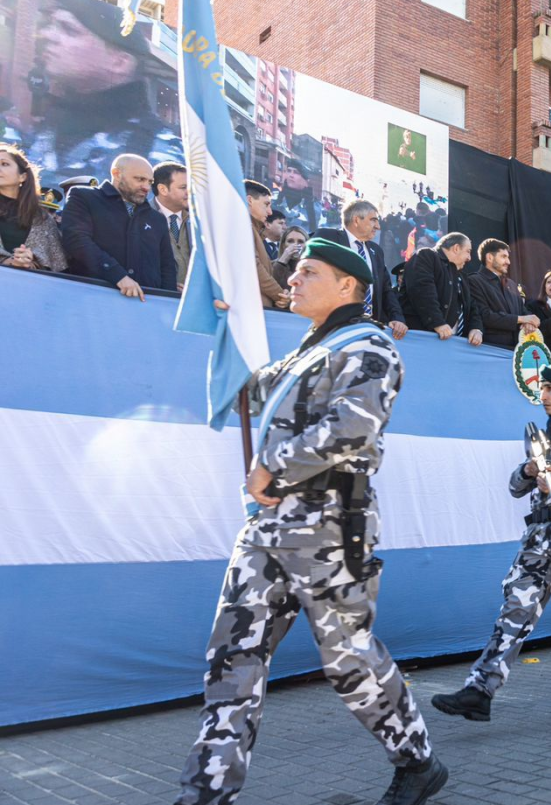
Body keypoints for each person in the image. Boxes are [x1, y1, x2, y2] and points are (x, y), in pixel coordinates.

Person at [175, 238, 446, 805]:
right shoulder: (305, 351)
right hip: (268, 529)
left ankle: (417, 760)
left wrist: (269, 465)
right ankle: (208, 791)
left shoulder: (370, 348)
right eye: (294, 272)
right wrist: (230, 329)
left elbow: (353, 429)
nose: (292, 280)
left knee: (348, 658)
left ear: (348, 286)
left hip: (328, 528)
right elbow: (251, 391)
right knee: (233, 655)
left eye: (307, 272)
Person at [431, 363, 551, 722]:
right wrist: (528, 472)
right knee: (516, 606)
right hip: (539, 536)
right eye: (543, 388)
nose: (545, 395)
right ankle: (480, 690)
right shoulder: (542, 437)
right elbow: (514, 487)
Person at [23, 0, 182, 180]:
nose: (47, 34)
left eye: (69, 29)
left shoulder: (161, 151)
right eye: (51, 24)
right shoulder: (47, 130)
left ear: (120, 62)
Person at [60, 153, 177, 299]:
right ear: (117, 173)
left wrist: (168, 300)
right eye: (140, 179)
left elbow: (167, 267)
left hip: (146, 308)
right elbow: (76, 240)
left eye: (149, 181)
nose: (146, 187)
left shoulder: (156, 219)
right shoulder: (84, 197)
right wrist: (118, 276)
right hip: (92, 300)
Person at [313, 200, 408, 339]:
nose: (378, 226)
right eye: (373, 220)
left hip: (368, 329)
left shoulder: (376, 251)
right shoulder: (328, 238)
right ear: (356, 220)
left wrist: (397, 318)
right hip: (334, 328)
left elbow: (386, 289)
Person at [399, 231, 483, 345]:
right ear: (456, 248)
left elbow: (472, 305)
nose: (469, 258)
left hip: (452, 343)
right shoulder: (427, 255)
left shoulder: (461, 275)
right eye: (468, 251)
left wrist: (476, 328)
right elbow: (422, 291)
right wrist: (437, 322)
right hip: (423, 340)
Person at [0, 145, 65, 272]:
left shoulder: (42, 218)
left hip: (29, 286)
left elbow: (57, 263)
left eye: (4, 164)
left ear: (22, 176)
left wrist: (29, 262)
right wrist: (8, 262)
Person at [464, 238, 538, 348]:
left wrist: (529, 320)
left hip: (517, 351)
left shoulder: (512, 284)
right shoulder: (474, 281)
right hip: (490, 350)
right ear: (489, 257)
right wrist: (521, 319)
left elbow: (523, 310)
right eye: (503, 256)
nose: (508, 262)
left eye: (508, 257)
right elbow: (484, 315)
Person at [246, 181, 289, 309]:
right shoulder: (243, 226)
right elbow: (254, 269)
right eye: (266, 204)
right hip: (252, 309)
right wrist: (280, 295)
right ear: (249, 200)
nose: (270, 212)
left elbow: (264, 267)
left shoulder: (254, 229)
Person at [151, 162, 189, 286]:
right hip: (158, 298)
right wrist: (168, 285)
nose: (190, 192)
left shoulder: (200, 220)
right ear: (163, 189)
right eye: (183, 187)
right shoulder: (140, 218)